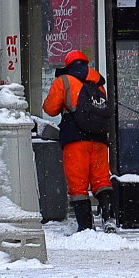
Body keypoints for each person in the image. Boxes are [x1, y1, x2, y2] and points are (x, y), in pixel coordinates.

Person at [44, 49, 114, 231]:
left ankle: (86, 227)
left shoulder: (64, 81)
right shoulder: (97, 82)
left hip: (75, 139)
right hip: (99, 139)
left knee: (78, 184)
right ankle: (109, 218)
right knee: (101, 180)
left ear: (68, 64)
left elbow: (50, 109)